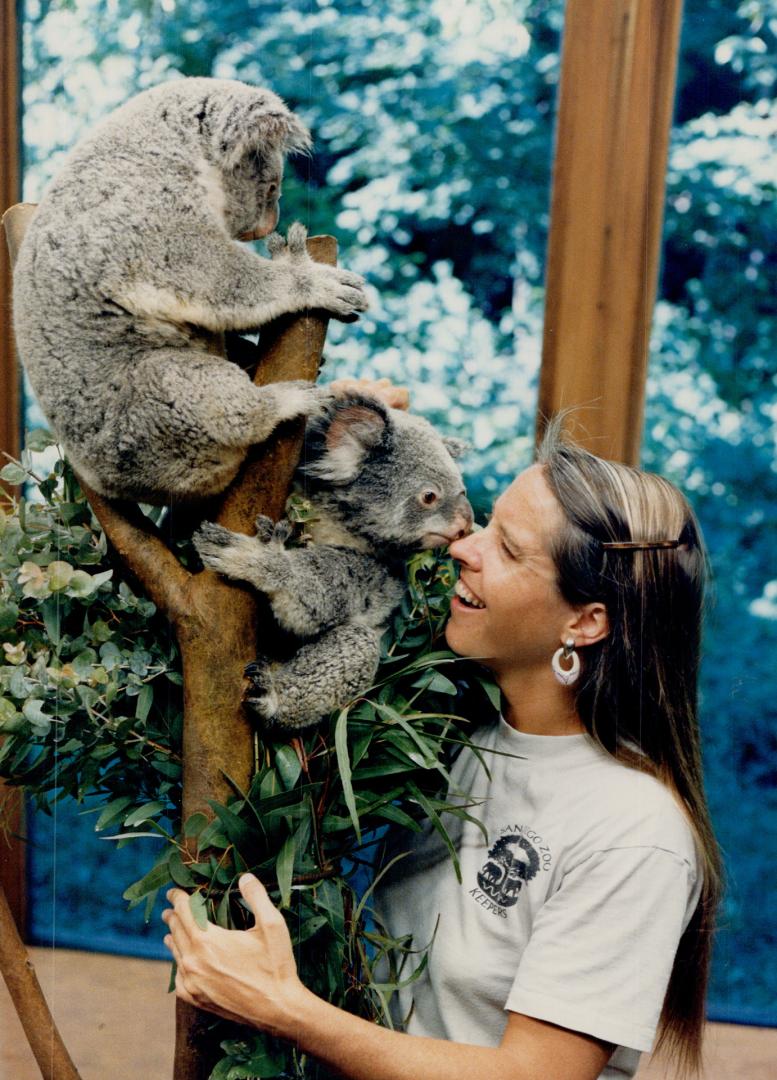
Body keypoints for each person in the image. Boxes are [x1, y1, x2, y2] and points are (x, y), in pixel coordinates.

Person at [163, 418, 721, 1080]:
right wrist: (346, 425)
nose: (462, 545)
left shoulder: (633, 831)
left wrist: (284, 1009)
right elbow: (371, 490)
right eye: (483, 523)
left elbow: (533, 1076)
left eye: (508, 550)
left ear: (584, 621)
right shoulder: (442, 722)